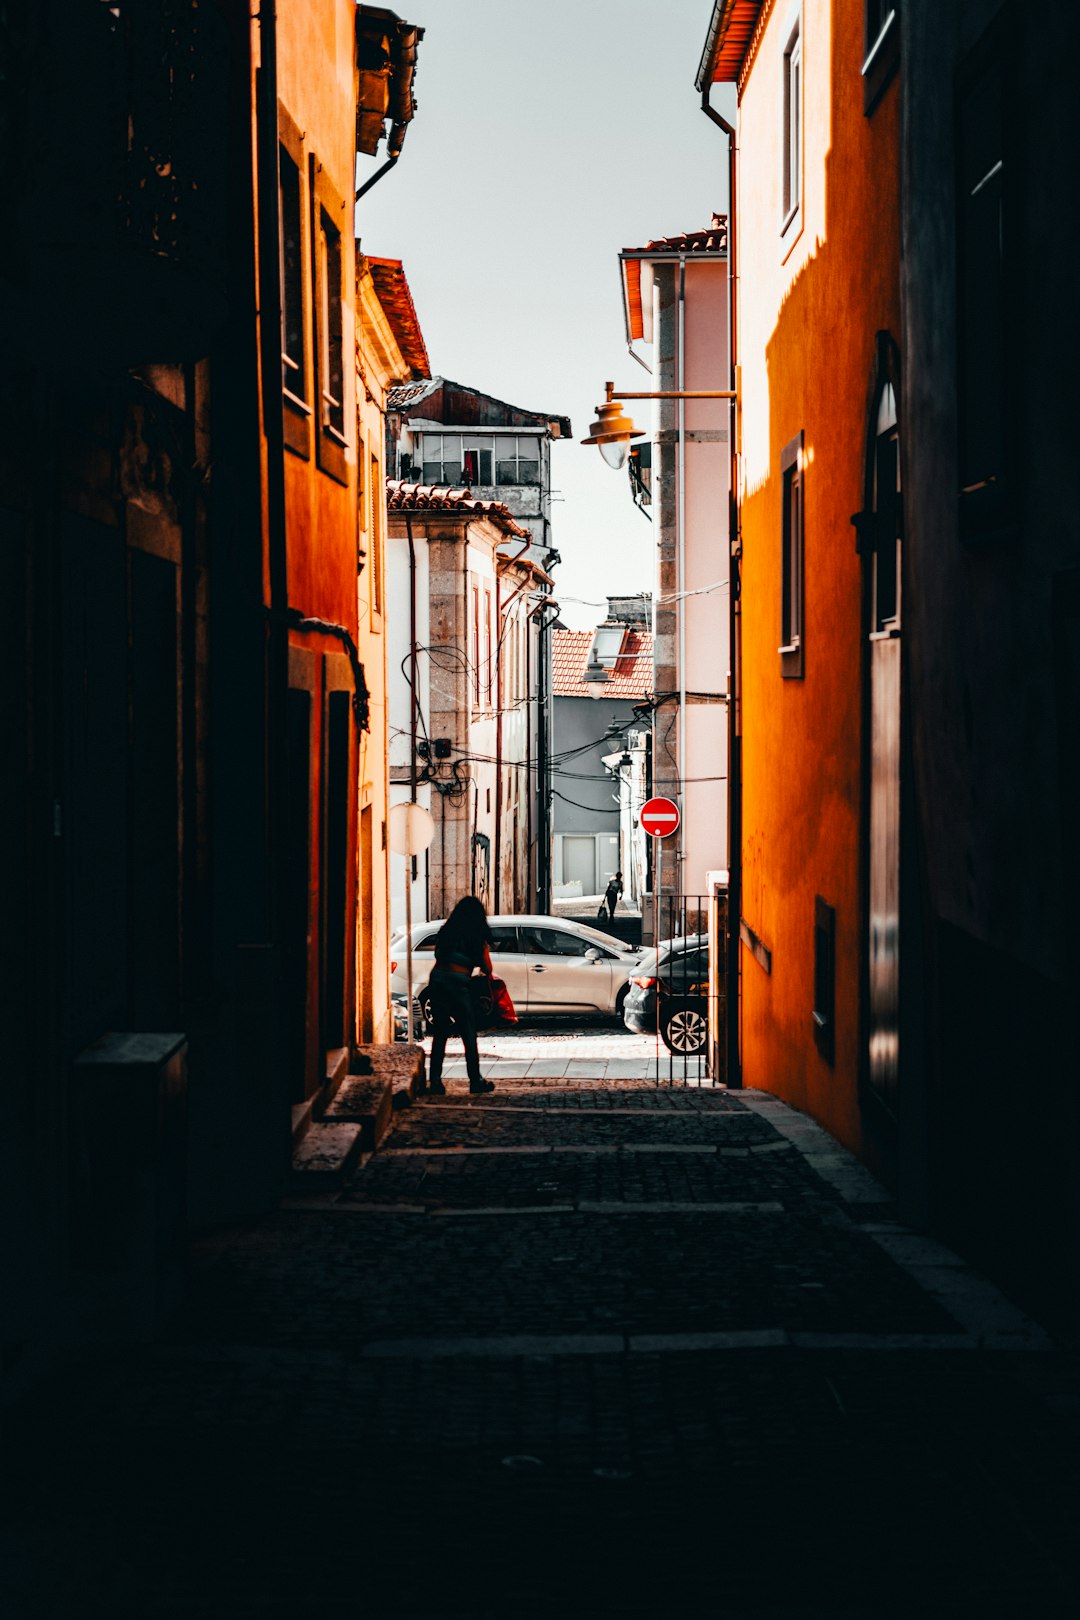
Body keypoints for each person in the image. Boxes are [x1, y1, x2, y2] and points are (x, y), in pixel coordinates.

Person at [424, 896, 495, 1096]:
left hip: (437, 981)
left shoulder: (447, 932)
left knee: (440, 1033)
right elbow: (487, 968)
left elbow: (438, 955)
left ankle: (436, 1082)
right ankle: (475, 1080)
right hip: (458, 985)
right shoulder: (477, 937)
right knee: (468, 1033)